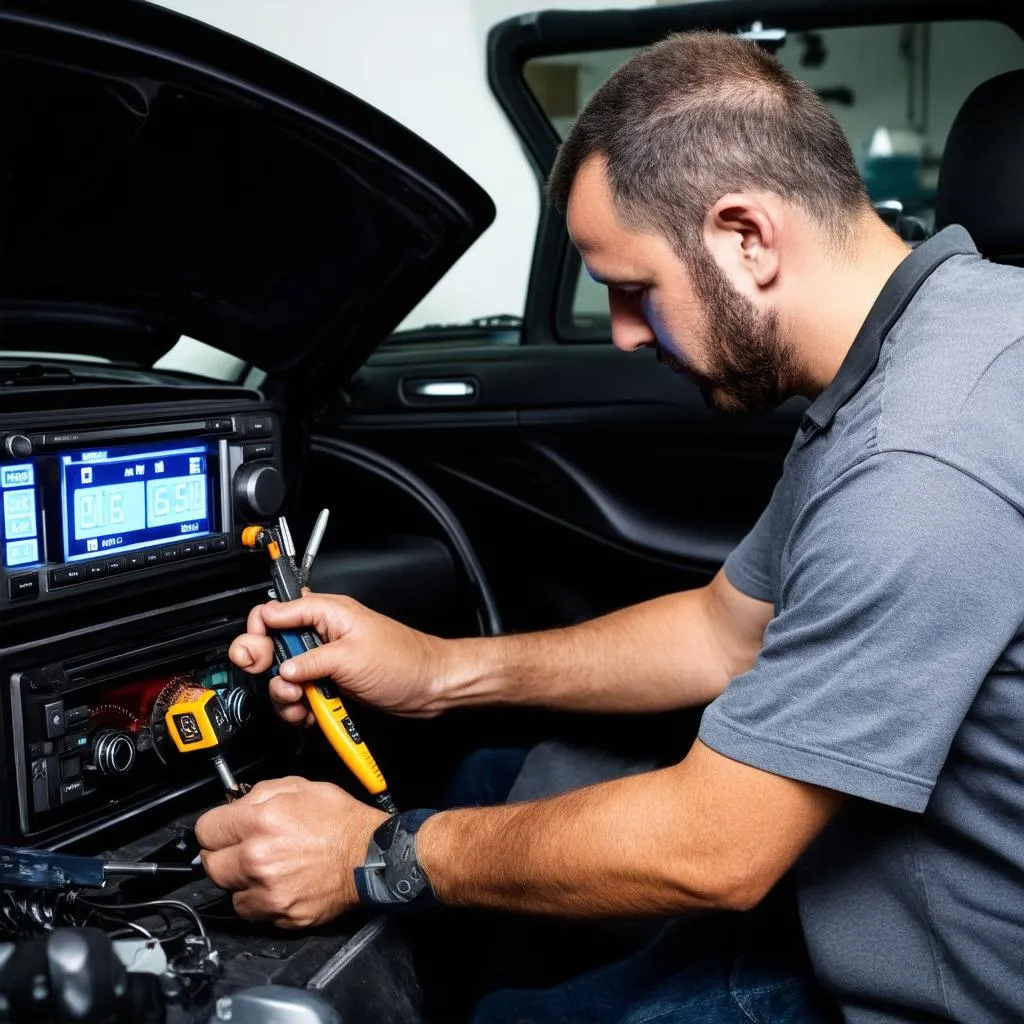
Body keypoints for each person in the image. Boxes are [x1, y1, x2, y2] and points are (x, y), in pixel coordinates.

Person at [194, 30, 1024, 1024]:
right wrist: (443, 669)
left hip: (940, 976)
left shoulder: (916, 457)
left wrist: (372, 856)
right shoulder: (946, 330)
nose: (626, 331)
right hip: (845, 876)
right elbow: (724, 630)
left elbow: (714, 849)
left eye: (635, 286)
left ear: (745, 236)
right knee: (490, 774)